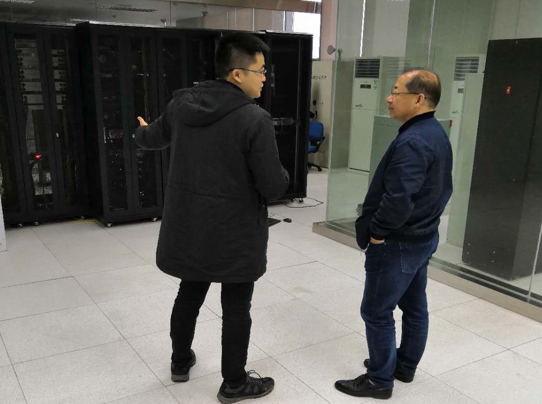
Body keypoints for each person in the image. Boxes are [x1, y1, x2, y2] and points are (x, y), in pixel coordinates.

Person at [135, 32, 289, 404]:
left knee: (189, 293)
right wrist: (281, 175)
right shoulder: (254, 119)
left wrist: (141, 131)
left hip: (190, 226)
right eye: (260, 71)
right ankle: (234, 383)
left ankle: (180, 362)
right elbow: (272, 186)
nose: (265, 78)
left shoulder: (182, 105)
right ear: (237, 74)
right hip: (235, 232)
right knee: (236, 306)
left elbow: (151, 137)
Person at [335, 69, 453, 400]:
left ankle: (379, 380)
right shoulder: (434, 132)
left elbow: (398, 199)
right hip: (422, 236)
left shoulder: (413, 141)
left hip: (398, 241)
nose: (389, 98)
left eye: (397, 92)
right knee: (414, 306)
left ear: (419, 99)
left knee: (376, 311)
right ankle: (403, 366)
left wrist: (377, 234)